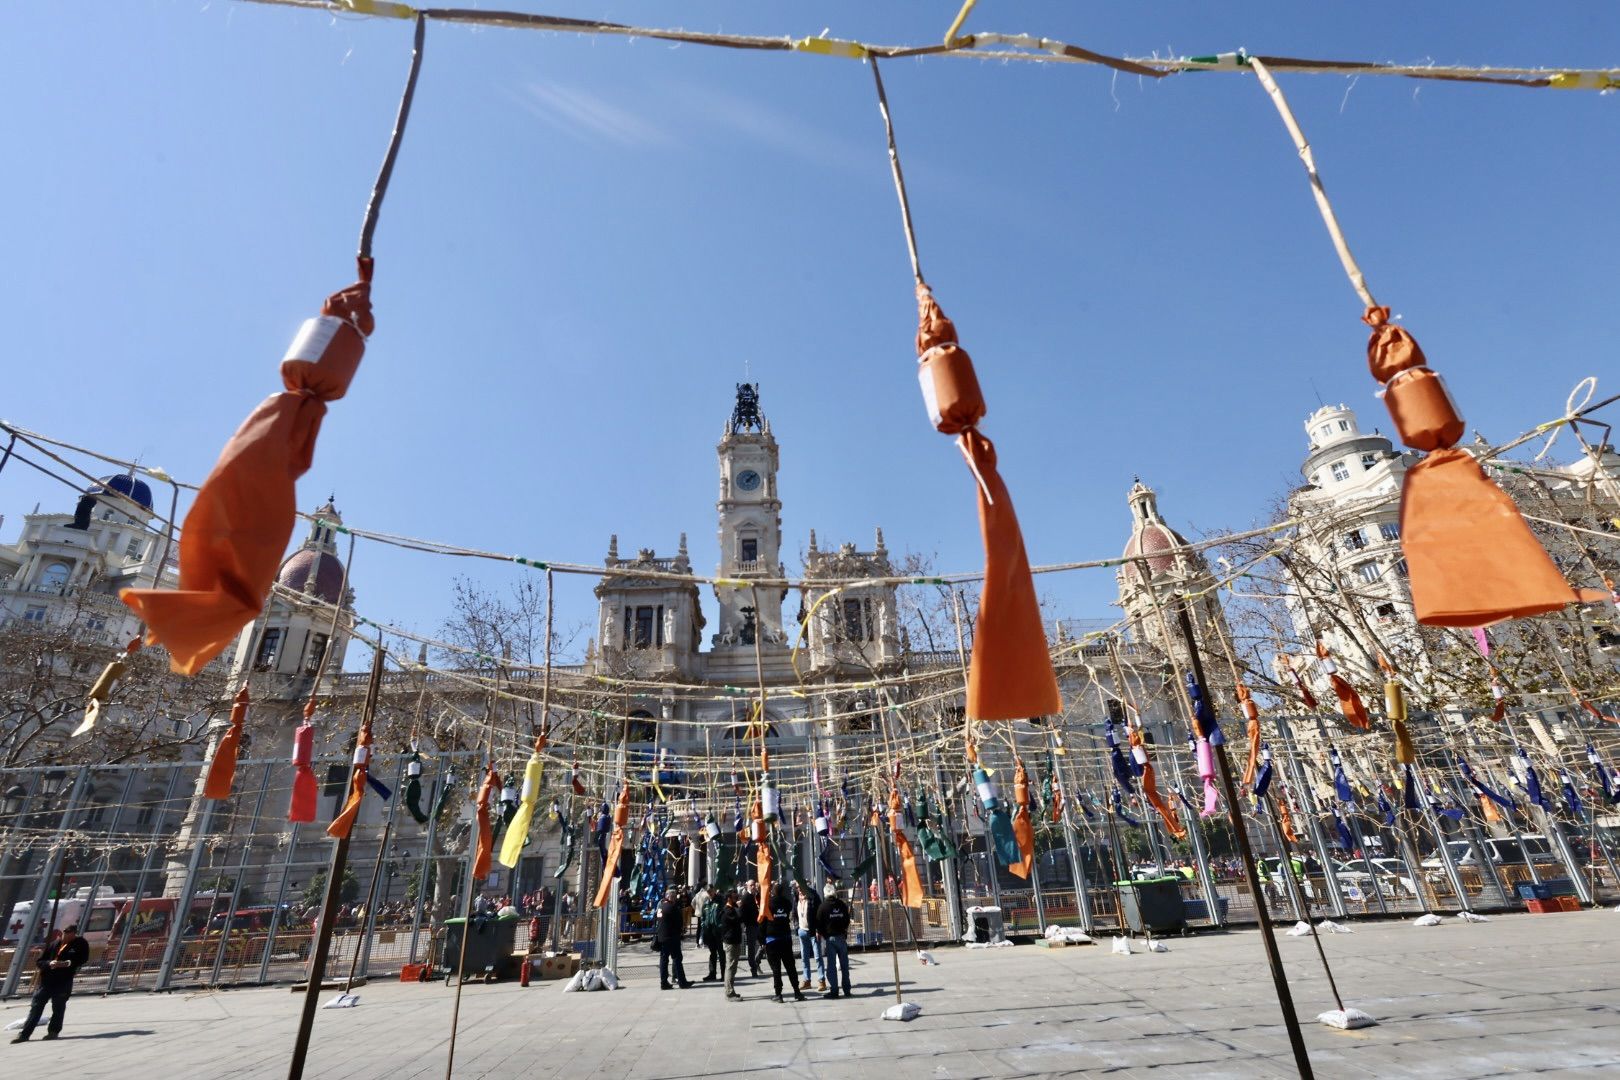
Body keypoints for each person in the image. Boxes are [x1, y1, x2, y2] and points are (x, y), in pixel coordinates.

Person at [11, 923, 89, 1043]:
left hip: (63, 980)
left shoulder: (80, 943)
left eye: (70, 933)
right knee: (36, 1007)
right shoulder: (53, 944)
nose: (67, 935)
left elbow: (83, 958)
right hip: (46, 981)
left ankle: (53, 1031)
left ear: (74, 934)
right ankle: (24, 1034)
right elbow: (40, 961)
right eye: (65, 933)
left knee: (58, 1006)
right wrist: (49, 964)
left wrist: (67, 963)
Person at [762, 884, 805, 1003]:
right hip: (785, 938)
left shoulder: (768, 904)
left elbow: (763, 922)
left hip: (772, 939)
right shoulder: (787, 903)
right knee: (790, 966)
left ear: (773, 892)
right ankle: (797, 991)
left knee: (776, 968)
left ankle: (778, 994)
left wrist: (761, 939)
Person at [816, 883, 852, 999]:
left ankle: (834, 990)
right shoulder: (842, 905)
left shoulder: (822, 907)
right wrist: (843, 930)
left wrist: (824, 935)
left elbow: (818, 923)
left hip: (830, 939)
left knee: (831, 966)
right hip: (841, 937)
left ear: (825, 893)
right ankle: (847, 989)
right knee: (844, 965)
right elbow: (847, 920)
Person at [655, 887, 693, 991]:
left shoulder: (660, 907)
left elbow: (658, 919)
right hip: (672, 937)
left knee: (663, 960)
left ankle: (663, 982)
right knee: (677, 959)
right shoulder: (673, 907)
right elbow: (679, 922)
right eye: (674, 897)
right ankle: (682, 981)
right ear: (671, 897)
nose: (675, 899)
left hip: (662, 937)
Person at [794, 882, 826, 992]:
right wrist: (797, 927)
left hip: (813, 931)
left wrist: (818, 929)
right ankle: (807, 980)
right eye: (797, 887)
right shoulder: (796, 897)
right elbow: (794, 913)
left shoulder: (813, 896)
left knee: (817, 956)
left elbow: (819, 914)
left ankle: (822, 981)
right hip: (802, 930)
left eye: (800, 887)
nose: (799, 889)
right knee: (804, 957)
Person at [720, 891, 744, 1001]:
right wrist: (739, 908)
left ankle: (731, 990)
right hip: (731, 942)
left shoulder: (731, 908)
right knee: (730, 967)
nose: (736, 899)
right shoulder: (728, 910)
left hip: (734, 941)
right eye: (734, 897)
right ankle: (729, 993)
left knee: (733, 967)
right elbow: (738, 918)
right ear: (729, 898)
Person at [699, 887, 725, 982]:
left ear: (714, 891)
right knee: (712, 953)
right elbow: (703, 917)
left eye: (711, 891)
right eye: (708, 892)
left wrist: (721, 926)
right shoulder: (706, 904)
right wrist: (703, 926)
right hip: (709, 932)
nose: (710, 893)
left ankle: (724, 974)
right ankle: (712, 973)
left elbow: (723, 915)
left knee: (721, 953)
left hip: (718, 932)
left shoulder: (720, 902)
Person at [739, 880, 763, 977]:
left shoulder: (756, 896)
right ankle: (753, 968)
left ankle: (756, 962)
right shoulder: (746, 897)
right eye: (751, 885)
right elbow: (742, 912)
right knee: (751, 948)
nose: (753, 887)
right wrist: (745, 924)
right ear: (747, 886)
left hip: (758, 925)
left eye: (754, 885)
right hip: (751, 926)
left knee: (764, 944)